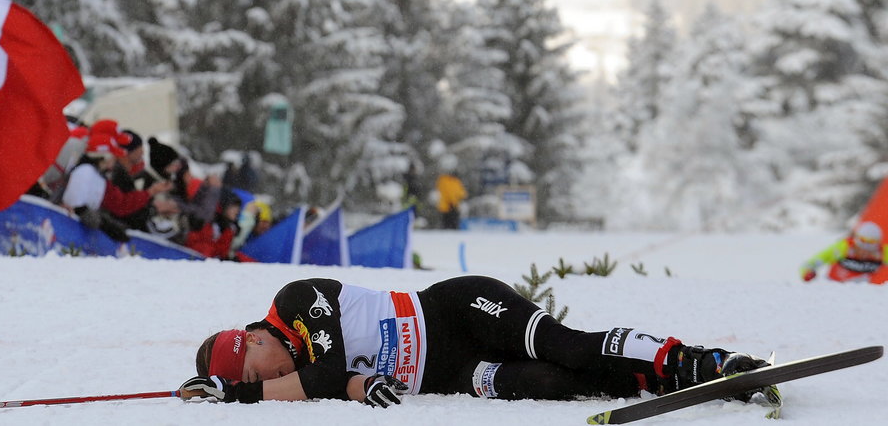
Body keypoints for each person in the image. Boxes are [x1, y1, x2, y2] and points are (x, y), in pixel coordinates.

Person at [180, 276, 771, 407]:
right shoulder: (301, 373)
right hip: (458, 374)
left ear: (253, 336)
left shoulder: (293, 302)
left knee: (562, 346)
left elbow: (328, 369)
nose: (270, 375)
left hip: (458, 312)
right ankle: (657, 381)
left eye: (258, 368)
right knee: (546, 383)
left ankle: (707, 362)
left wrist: (242, 398)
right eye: (259, 382)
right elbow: (335, 381)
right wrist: (357, 387)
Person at [801, 220, 888, 284]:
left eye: (871, 246)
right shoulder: (843, 247)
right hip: (834, 287)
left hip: (862, 293)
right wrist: (807, 272)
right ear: (856, 240)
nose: (865, 251)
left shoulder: (883, 252)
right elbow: (811, 263)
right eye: (862, 243)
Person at [435, 158, 467, 230]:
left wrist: (459, 199)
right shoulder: (444, 180)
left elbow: (462, 193)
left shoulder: (456, 181)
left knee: (453, 225)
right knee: (447, 225)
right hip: (447, 206)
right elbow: (446, 192)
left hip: (454, 206)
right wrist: (452, 202)